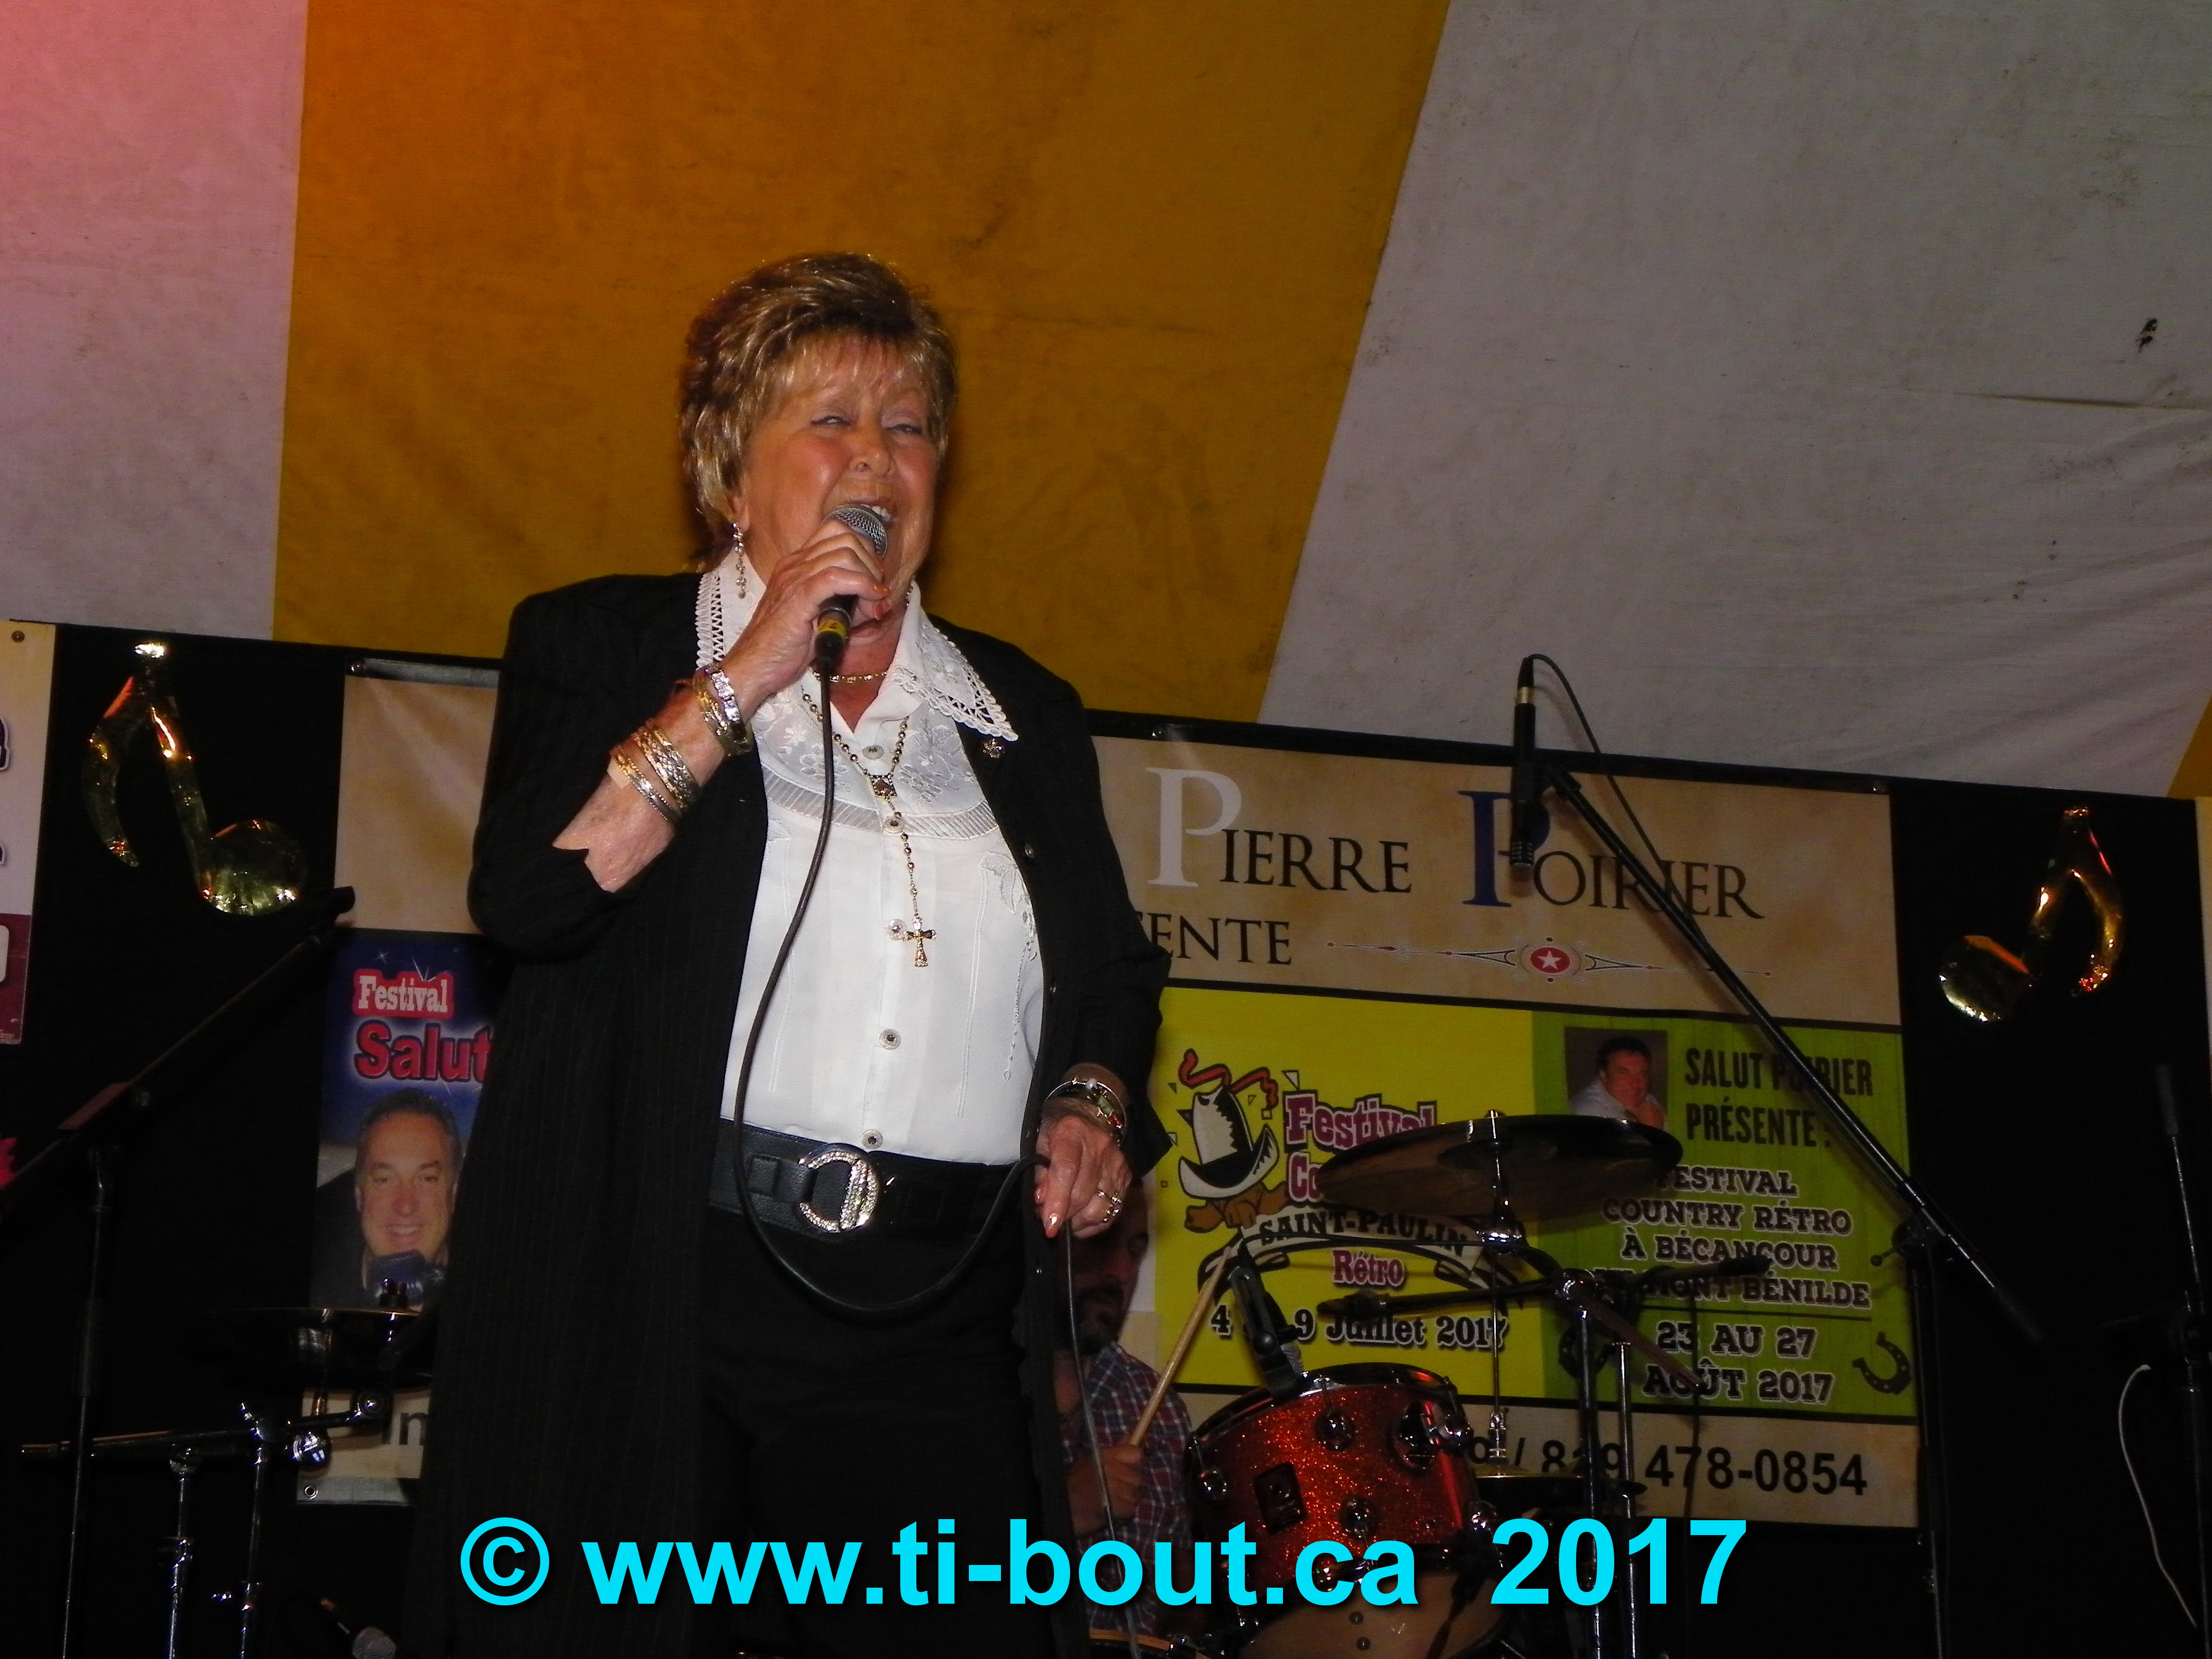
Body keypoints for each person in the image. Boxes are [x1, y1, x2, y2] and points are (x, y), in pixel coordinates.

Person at [405, 253, 1170, 1659]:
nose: (877, 457)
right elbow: (536, 899)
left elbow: (1112, 973)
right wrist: (748, 670)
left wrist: (1092, 1098)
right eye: (831, 420)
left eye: (910, 425)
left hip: (937, 1309)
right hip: (664, 1281)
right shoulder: (602, 641)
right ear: (729, 472)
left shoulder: (1022, 711)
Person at [1056, 1197, 1194, 1640]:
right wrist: (1060, 1510)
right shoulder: (966, 1392)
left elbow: (1181, 1602)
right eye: (1101, 1243)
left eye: (1135, 1251)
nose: (1121, 1271)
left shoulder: (1156, 1406)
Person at [307, 1089, 461, 1308]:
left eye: (427, 1179)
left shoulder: (494, 1290)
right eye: (384, 1180)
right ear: (359, 1195)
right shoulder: (311, 1292)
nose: (405, 1206)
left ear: (454, 1194)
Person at [1569, 1035, 1666, 1129]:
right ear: (1603, 1075)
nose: (1635, 1084)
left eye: (1642, 1075)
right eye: (1624, 1073)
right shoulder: (1589, 1113)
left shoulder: (1648, 1102)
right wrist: (1651, 1130)